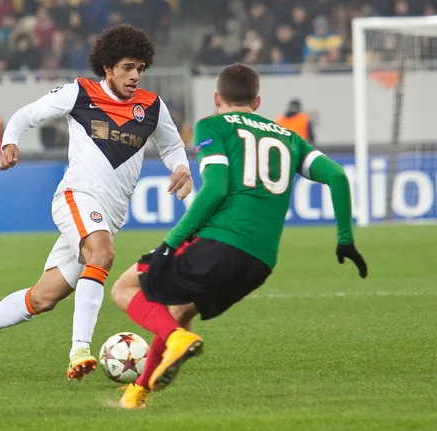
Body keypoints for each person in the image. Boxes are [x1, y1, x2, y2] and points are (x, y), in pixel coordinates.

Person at [0, 24, 193, 382]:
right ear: (107, 68)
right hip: (76, 197)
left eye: (140, 68)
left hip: (110, 215)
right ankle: (80, 349)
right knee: (102, 254)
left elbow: (171, 146)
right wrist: (10, 141)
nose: (135, 75)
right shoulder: (80, 93)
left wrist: (180, 167)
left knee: (43, 298)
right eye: (127, 67)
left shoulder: (151, 107)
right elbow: (28, 114)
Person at [110, 63, 368, 409]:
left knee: (124, 288)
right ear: (257, 101)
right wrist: (345, 238)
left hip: (220, 242)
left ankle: (175, 340)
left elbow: (215, 188)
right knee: (181, 309)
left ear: (217, 98)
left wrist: (171, 242)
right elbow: (336, 176)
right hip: (260, 263)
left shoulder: (213, 125)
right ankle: (137, 394)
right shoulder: (289, 138)